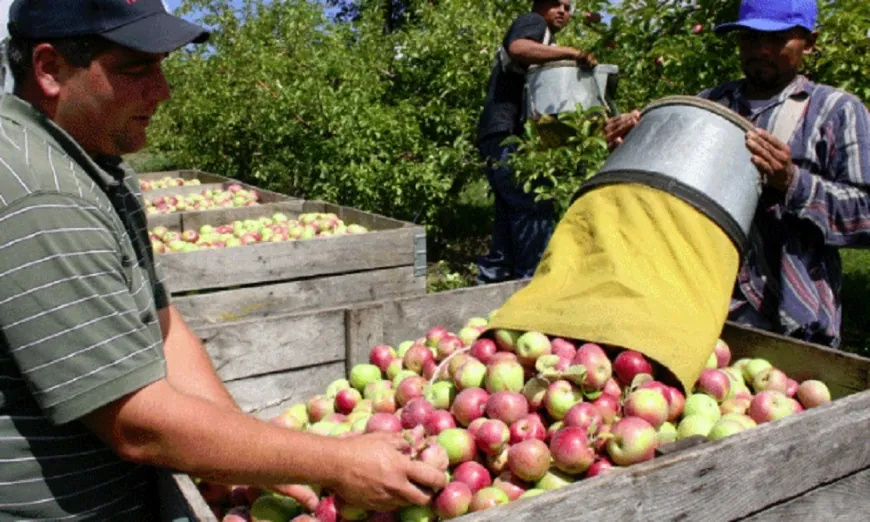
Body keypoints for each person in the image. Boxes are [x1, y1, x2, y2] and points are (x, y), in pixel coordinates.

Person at [0, 0, 445, 519]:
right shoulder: (45, 197)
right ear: (50, 69)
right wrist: (335, 462)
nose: (162, 89)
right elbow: (136, 423)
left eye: (162, 65)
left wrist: (246, 457)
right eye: (138, 68)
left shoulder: (93, 162)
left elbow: (164, 328)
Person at [604, 0, 870, 348]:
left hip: (790, 314)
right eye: (749, 38)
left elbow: (865, 214)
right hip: (697, 304)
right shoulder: (707, 106)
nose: (760, 50)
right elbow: (666, 196)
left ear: (810, 41)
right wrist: (635, 146)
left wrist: (793, 182)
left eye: (776, 40)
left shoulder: (837, 111)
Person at [475, 0, 597, 285]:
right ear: (539, 5)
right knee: (533, 205)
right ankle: (535, 284)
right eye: (555, 4)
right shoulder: (533, 23)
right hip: (508, 134)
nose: (562, 11)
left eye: (568, 7)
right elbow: (518, 47)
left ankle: (492, 284)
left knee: (509, 213)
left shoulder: (545, 38)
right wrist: (573, 53)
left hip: (496, 133)